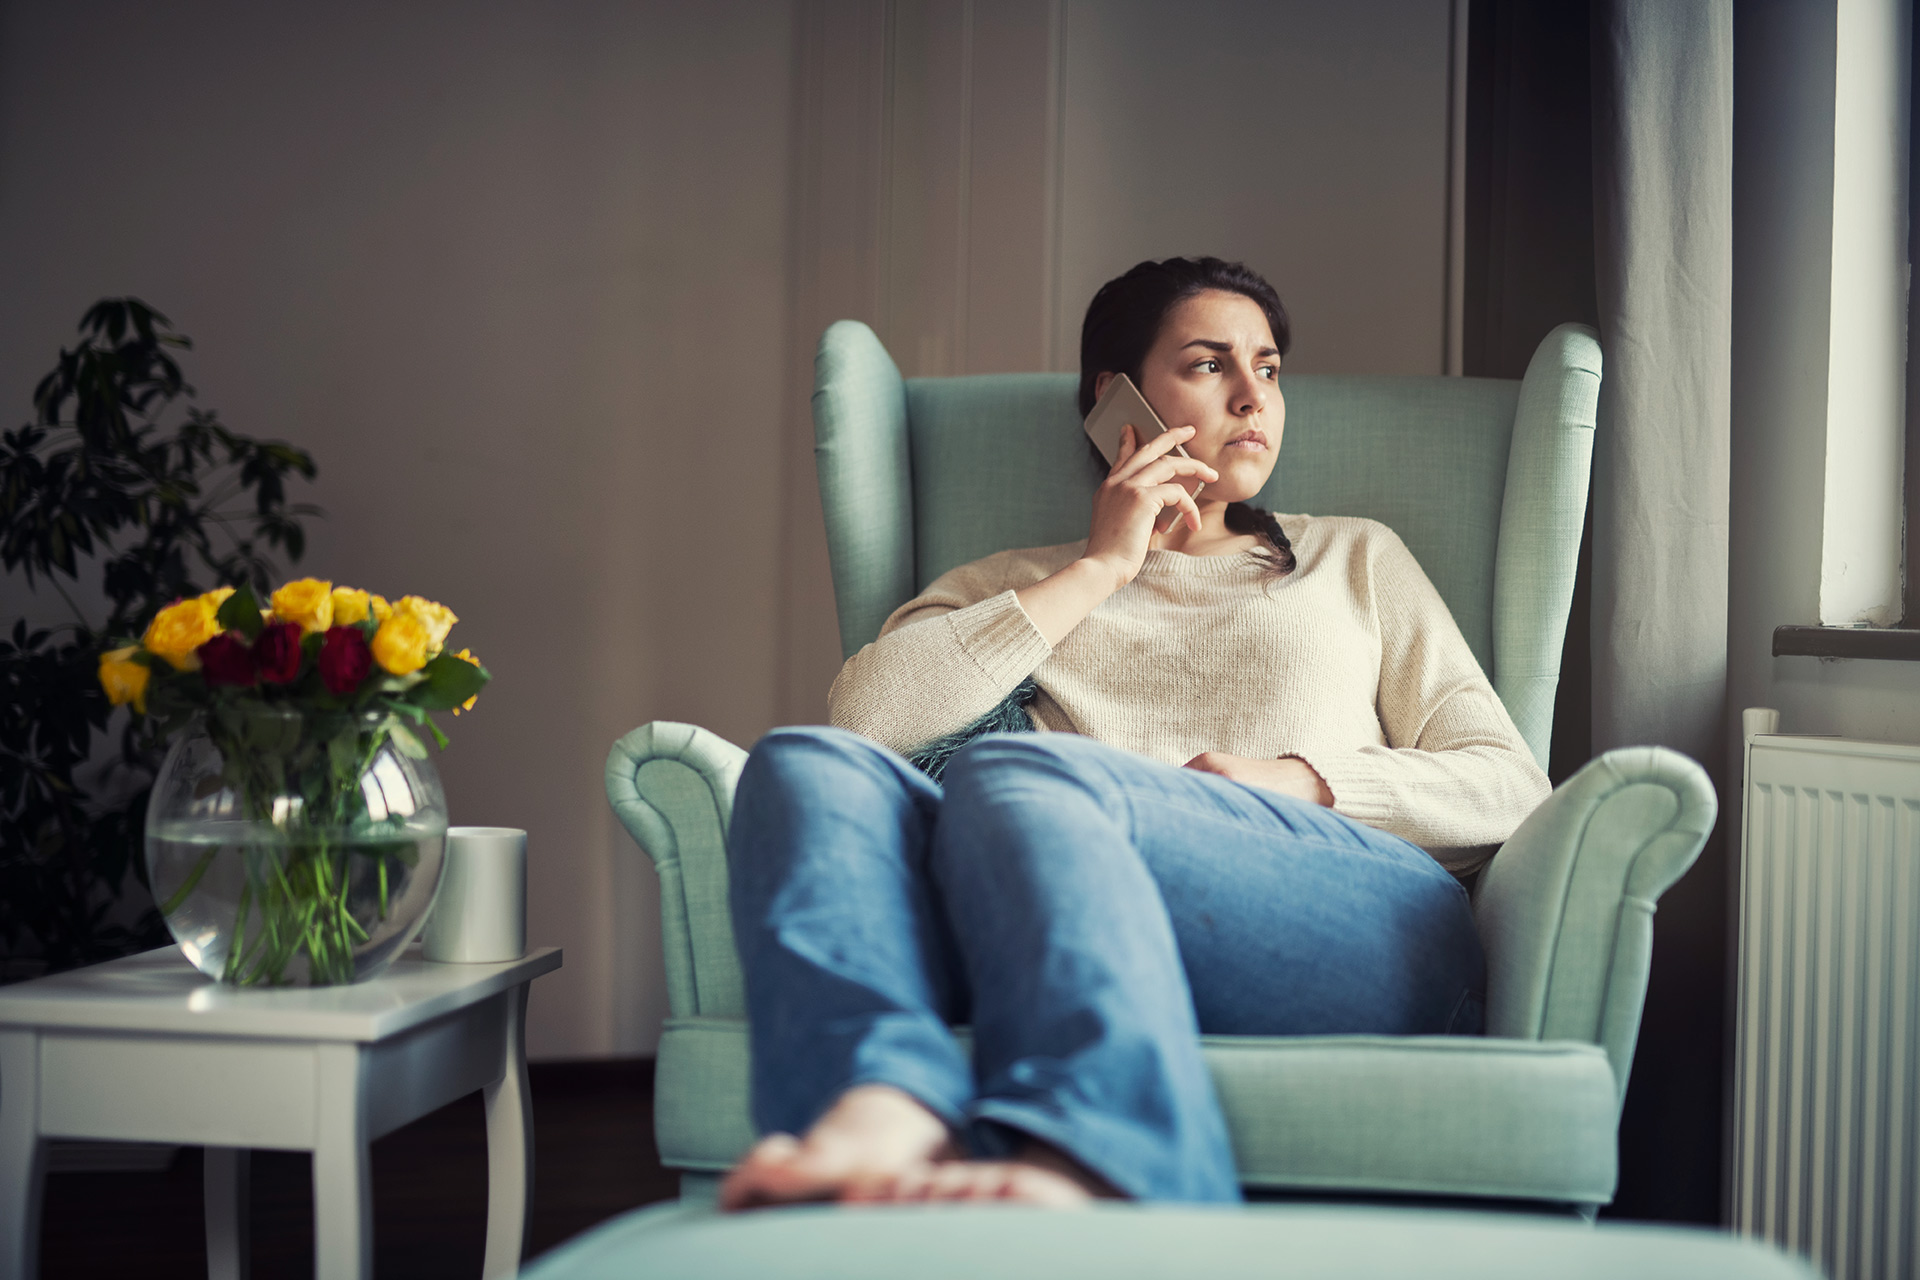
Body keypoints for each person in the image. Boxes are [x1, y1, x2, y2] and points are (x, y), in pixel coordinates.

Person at [718, 257, 1552, 1210]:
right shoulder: (1017, 584)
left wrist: (1302, 781)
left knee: (1020, 776)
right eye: (1210, 365)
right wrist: (1102, 569)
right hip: (1073, 899)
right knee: (799, 766)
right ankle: (880, 1107)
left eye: (1269, 369)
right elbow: (864, 721)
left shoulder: (1352, 557)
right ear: (1116, 399)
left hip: (1351, 913)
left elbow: (1508, 783)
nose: (1253, 396)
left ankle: (1099, 1160)